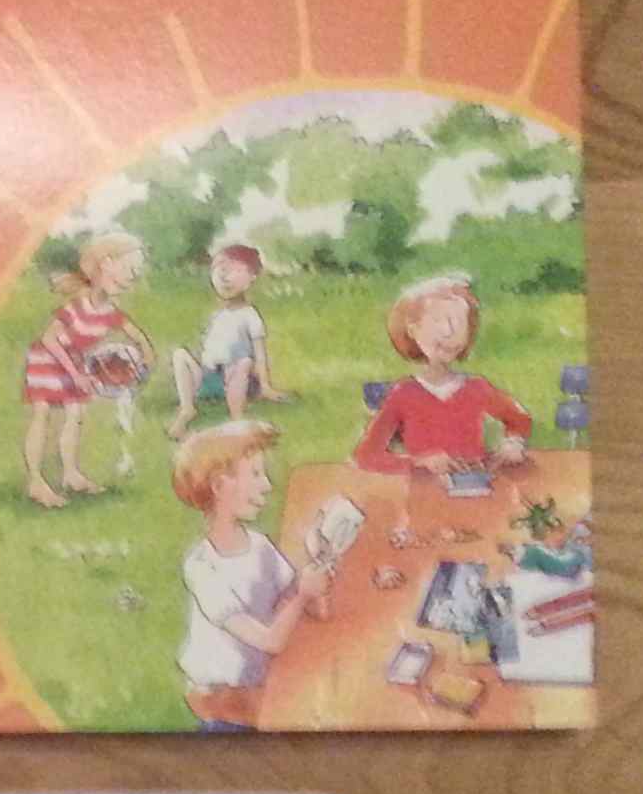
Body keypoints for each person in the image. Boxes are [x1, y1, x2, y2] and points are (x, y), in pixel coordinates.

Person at [171, 420, 336, 731]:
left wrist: (321, 563)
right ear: (220, 486)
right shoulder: (204, 569)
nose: (267, 485)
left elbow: (313, 607)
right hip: (223, 704)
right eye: (256, 474)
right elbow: (270, 641)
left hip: (258, 682)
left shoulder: (259, 546)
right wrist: (304, 594)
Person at [352, 273, 531, 477]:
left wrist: (513, 443)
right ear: (413, 329)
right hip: (424, 489)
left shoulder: (476, 388)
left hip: (476, 484)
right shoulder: (404, 393)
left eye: (459, 322)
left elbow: (520, 419)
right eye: (438, 321)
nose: (449, 332)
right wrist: (420, 462)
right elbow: (366, 456)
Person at [20, 230, 151, 508]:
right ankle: (35, 481)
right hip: (47, 359)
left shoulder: (110, 312)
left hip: (74, 363)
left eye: (136, 272)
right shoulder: (77, 306)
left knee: (75, 416)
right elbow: (50, 339)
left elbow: (138, 337)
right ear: (106, 264)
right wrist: (76, 374)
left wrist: (146, 358)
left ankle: (70, 474)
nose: (133, 277)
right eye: (128, 269)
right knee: (42, 414)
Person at [165, 242, 288, 435]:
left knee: (244, 361)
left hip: (239, 379)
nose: (224, 277)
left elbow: (259, 353)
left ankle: (237, 417)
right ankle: (187, 408)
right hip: (209, 377)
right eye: (219, 270)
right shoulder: (218, 316)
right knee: (180, 354)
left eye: (234, 270)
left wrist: (265, 385)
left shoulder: (249, 315)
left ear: (252, 277)